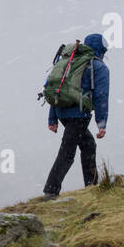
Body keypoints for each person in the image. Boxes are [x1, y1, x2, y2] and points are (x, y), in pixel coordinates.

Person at [42, 32, 109, 199]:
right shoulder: (98, 67)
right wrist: (101, 123)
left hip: (62, 112)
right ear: (101, 49)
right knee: (67, 152)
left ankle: (91, 186)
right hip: (79, 115)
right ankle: (51, 190)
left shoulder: (69, 62)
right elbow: (101, 96)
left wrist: (53, 118)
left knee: (88, 145)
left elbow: (57, 89)